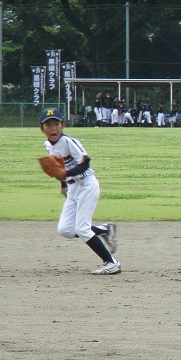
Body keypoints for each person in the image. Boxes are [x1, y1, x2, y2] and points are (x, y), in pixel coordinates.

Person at [38, 108, 120, 275]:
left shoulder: (69, 142)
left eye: (56, 124)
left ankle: (112, 263)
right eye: (48, 125)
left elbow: (85, 162)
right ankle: (104, 230)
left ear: (63, 125)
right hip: (73, 188)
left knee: (82, 229)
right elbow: (59, 166)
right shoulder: (48, 145)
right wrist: (63, 184)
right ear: (42, 129)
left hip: (87, 185)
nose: (53, 128)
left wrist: (66, 174)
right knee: (66, 230)